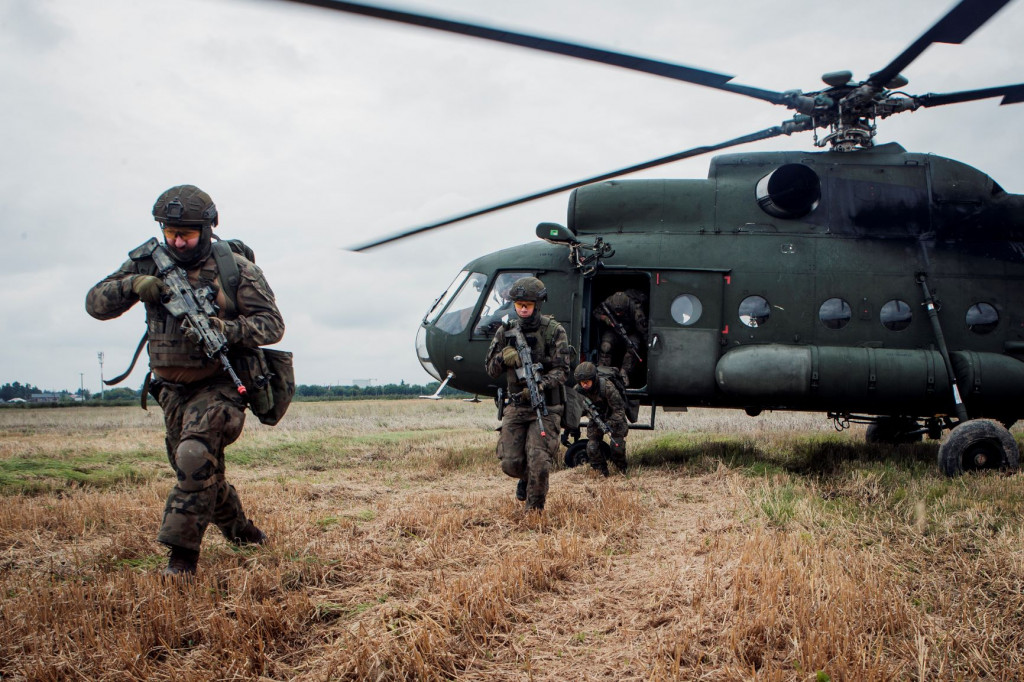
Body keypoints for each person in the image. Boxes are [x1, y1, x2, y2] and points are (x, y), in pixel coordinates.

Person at [85, 184, 285, 578]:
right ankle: (241, 531)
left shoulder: (237, 269)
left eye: (187, 234)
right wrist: (132, 286)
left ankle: (181, 561)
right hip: (171, 390)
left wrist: (223, 329)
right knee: (199, 473)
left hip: (220, 384)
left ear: (208, 228)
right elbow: (95, 302)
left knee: (193, 460)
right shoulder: (149, 262)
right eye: (170, 233)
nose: (177, 241)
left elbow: (272, 325)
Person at [485, 276, 570, 511]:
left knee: (540, 463)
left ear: (537, 305)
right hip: (516, 406)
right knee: (511, 464)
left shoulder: (554, 331)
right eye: (519, 304)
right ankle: (525, 478)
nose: (522, 309)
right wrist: (503, 358)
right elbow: (490, 370)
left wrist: (542, 383)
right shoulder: (505, 332)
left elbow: (563, 371)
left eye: (528, 305)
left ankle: (534, 511)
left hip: (546, 406)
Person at [573, 362, 629, 476]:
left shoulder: (607, 387)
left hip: (614, 418)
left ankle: (622, 470)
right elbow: (575, 411)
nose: (584, 385)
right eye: (582, 383)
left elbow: (619, 411)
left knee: (617, 447)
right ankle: (600, 471)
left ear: (593, 379)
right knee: (592, 447)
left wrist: (609, 423)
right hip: (596, 418)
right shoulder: (578, 390)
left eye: (587, 382)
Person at [593, 290, 648, 387]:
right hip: (613, 330)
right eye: (616, 312)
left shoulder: (636, 310)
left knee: (632, 349)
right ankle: (602, 372)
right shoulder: (609, 302)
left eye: (621, 312)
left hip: (631, 332)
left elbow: (643, 330)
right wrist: (605, 319)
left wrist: (647, 344)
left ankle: (624, 373)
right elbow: (596, 313)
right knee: (605, 346)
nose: (618, 314)